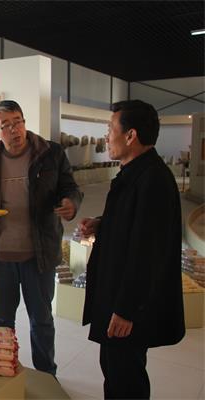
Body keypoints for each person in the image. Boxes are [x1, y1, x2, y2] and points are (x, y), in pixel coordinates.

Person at [80, 100, 185, 399]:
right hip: (117, 295)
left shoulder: (153, 180)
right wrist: (102, 224)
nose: (106, 136)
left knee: (126, 378)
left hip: (128, 305)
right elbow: (134, 224)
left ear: (130, 135)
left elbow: (148, 252)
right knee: (114, 368)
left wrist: (126, 310)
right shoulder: (135, 172)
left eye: (110, 129)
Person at [0, 100, 82, 376]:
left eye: (18, 122)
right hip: (0, 256)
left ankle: (46, 376)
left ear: (24, 122)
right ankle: (4, 373)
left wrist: (70, 203)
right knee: (2, 321)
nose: (14, 130)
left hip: (38, 255)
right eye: (6, 125)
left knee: (41, 320)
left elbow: (70, 187)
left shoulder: (50, 153)